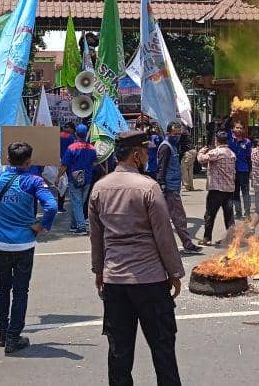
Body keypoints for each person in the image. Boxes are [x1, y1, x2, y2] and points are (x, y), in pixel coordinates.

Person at [88, 130, 185, 386]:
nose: (147, 155)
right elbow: (164, 235)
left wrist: (99, 271)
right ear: (135, 155)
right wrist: (174, 272)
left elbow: (95, 237)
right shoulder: (148, 187)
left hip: (115, 281)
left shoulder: (99, 188)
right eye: (145, 151)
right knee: (163, 348)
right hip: (150, 281)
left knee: (119, 351)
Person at [0, 141, 57, 354]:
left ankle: (1, 332)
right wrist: (41, 226)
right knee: (21, 291)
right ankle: (13, 338)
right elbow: (51, 206)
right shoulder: (33, 181)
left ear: (7, 158)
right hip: (24, 243)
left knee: (2, 288)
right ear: (28, 161)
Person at [156, 121, 201, 253]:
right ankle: (187, 245)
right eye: (175, 134)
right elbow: (161, 168)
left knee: (167, 218)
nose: (177, 136)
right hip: (169, 188)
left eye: (179, 134)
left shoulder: (174, 146)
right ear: (168, 133)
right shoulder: (166, 147)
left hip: (174, 187)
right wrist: (162, 185)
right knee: (178, 217)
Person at [196, 131, 237, 246]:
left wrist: (201, 151)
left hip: (216, 190)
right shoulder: (231, 153)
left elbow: (201, 159)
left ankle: (207, 238)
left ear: (216, 140)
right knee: (229, 216)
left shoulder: (216, 152)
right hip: (229, 189)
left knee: (210, 214)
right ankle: (231, 238)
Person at [59, 124, 97, 235]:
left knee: (77, 202)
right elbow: (94, 163)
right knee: (79, 202)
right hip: (88, 178)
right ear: (86, 135)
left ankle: (81, 227)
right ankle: (74, 224)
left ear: (76, 134)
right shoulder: (92, 148)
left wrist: (58, 177)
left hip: (74, 178)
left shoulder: (71, 148)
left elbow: (64, 165)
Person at [228, 122, 253, 218]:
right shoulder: (230, 139)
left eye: (241, 128)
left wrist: (250, 171)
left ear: (243, 130)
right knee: (235, 193)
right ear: (233, 129)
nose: (238, 129)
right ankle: (238, 212)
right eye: (236, 128)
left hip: (244, 170)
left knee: (245, 192)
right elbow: (225, 128)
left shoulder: (247, 142)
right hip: (232, 171)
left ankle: (247, 213)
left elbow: (249, 158)